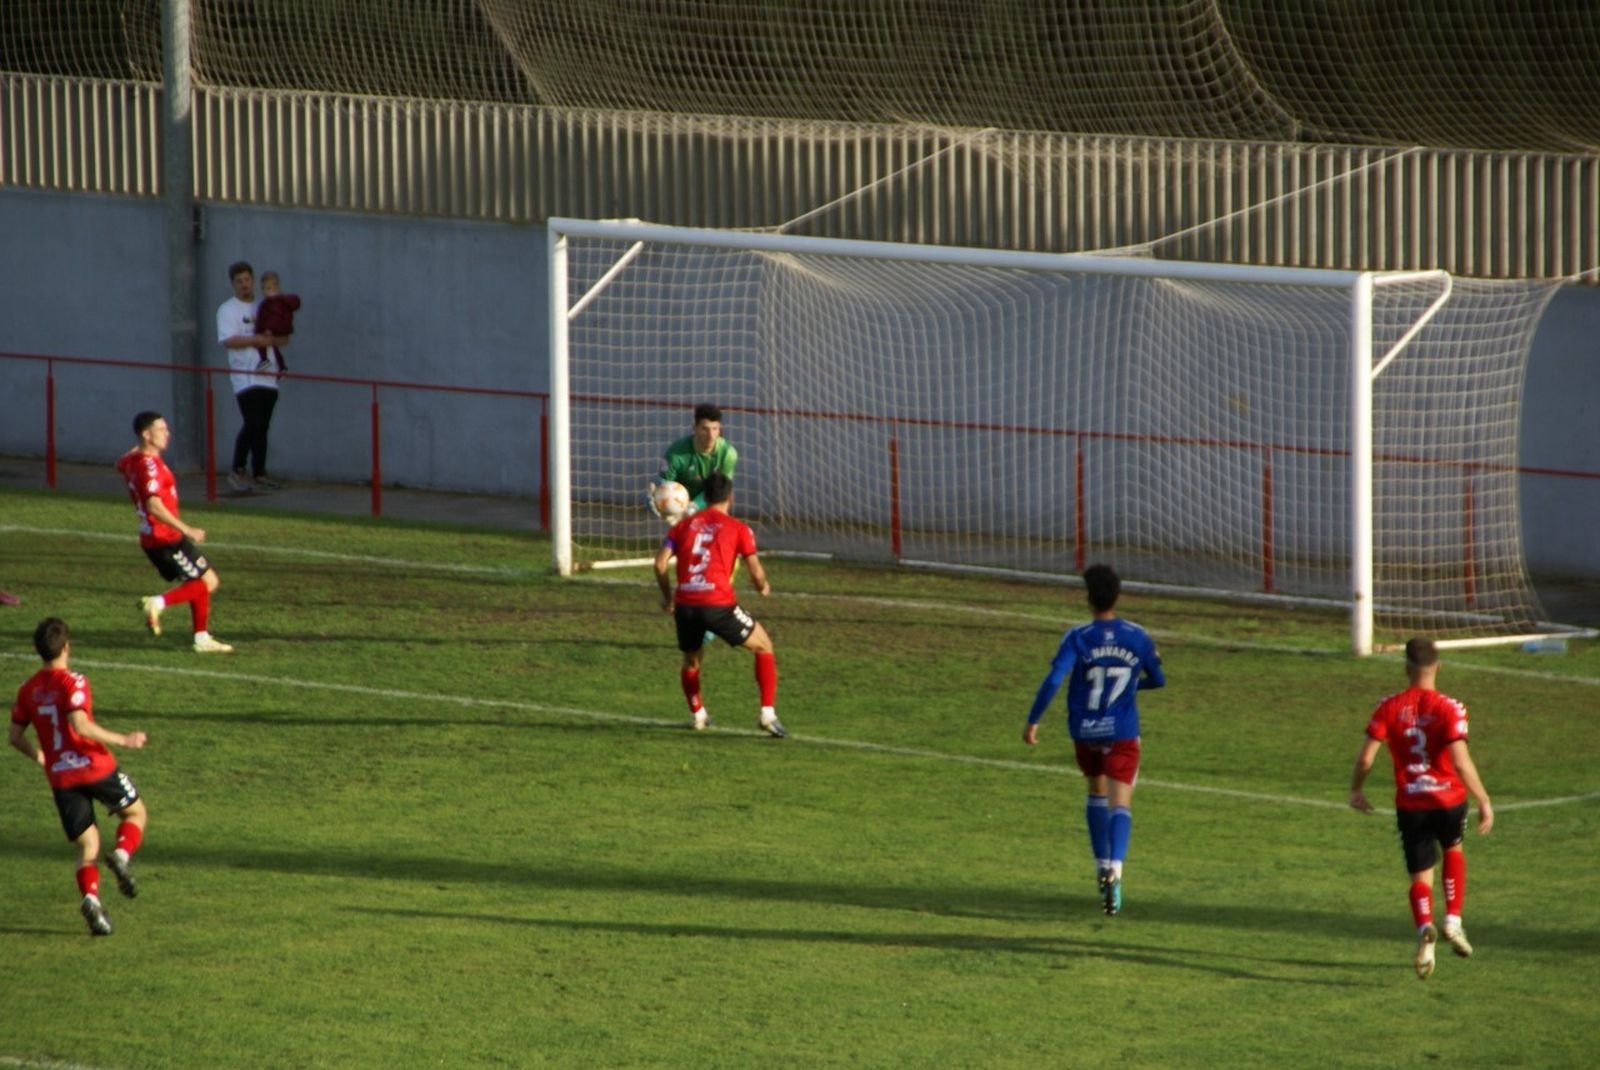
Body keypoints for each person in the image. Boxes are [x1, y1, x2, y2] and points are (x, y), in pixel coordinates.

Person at [1023, 564, 1165, 915]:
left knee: (1095, 794)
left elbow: (1054, 680)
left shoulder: (1077, 636)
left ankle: (1100, 866)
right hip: (1122, 732)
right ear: (1118, 595)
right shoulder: (1138, 636)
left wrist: (1033, 720)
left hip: (1084, 731)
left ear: (1088, 599)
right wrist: (1135, 685)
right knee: (1121, 804)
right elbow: (1159, 679)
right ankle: (1116, 870)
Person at [1349, 637, 1493, 980]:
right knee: (1453, 849)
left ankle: (1424, 928)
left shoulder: (1388, 707)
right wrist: (1483, 799)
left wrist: (1356, 789)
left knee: (1419, 876)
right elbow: (1460, 760)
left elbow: (1367, 756)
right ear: (1438, 667)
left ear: (1406, 669)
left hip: (1411, 804)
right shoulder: (1450, 707)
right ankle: (1453, 921)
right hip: (1449, 801)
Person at [9, 618, 150, 936]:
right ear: (67, 646)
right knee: (136, 812)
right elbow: (80, 726)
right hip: (95, 766)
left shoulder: (27, 690)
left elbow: (15, 737)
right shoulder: (74, 682)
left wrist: (41, 756)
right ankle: (122, 855)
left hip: (61, 778)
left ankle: (92, 901)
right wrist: (124, 739)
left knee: (87, 846)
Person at [653, 472, 786, 738]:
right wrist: (763, 587)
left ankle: (698, 714)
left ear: (705, 496)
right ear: (730, 497)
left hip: (686, 605)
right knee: (763, 646)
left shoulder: (681, 527)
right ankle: (767, 714)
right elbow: (756, 571)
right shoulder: (738, 528)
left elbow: (659, 563)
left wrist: (669, 599)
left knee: (692, 659)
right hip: (717, 604)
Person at [115, 410, 235, 654]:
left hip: (154, 538)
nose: (167, 434)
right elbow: (153, 504)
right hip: (165, 538)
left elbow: (120, 463)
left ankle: (201, 638)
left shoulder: (133, 461)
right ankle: (157, 603)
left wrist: (140, 444)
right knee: (207, 582)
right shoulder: (149, 467)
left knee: (199, 580)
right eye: (161, 430)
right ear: (147, 435)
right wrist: (187, 529)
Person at [217, 260, 286, 491]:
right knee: (252, 422)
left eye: (247, 280)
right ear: (233, 284)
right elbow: (228, 340)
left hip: (268, 373)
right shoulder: (228, 309)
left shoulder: (263, 306)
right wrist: (256, 340)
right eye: (239, 281)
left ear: (253, 281)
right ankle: (237, 469)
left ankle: (259, 471)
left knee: (263, 425)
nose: (244, 285)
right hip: (245, 376)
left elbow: (280, 337)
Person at [652, 403, 739, 519]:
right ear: (695, 428)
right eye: (705, 429)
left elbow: (721, 491)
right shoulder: (676, 454)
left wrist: (695, 505)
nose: (711, 436)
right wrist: (658, 497)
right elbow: (665, 482)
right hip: (681, 503)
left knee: (727, 493)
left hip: (712, 500)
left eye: (715, 429)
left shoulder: (728, 453)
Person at [254, 270, 301, 375]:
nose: (265, 291)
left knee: (261, 343)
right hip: (279, 329)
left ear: (276, 288)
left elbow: (275, 316)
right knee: (274, 348)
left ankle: (264, 360)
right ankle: (282, 366)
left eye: (268, 288)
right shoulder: (278, 301)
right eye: (263, 288)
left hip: (273, 329)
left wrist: (269, 329)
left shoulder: (273, 302)